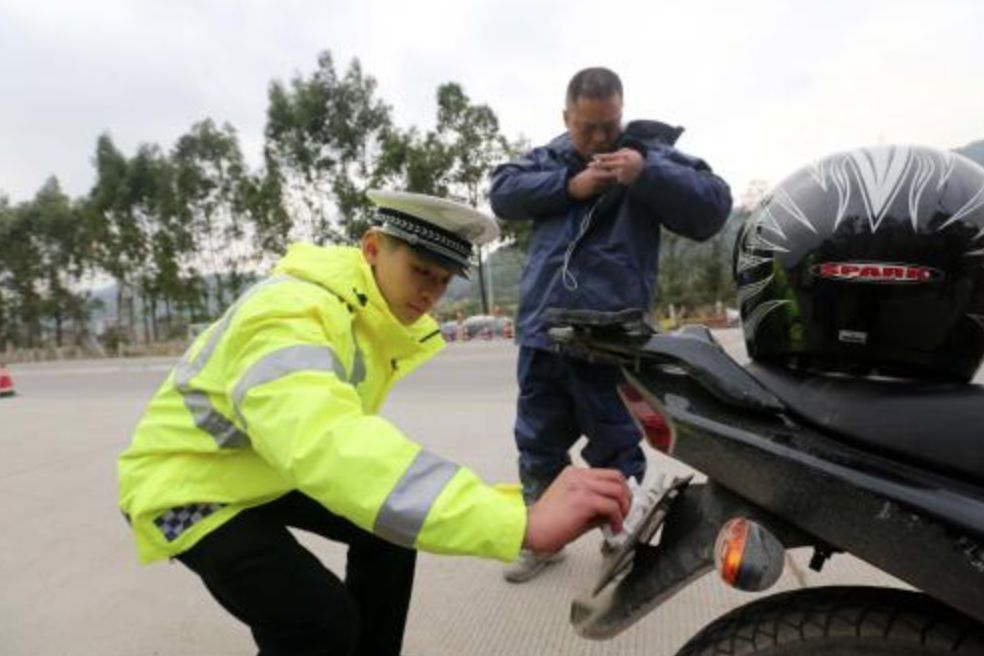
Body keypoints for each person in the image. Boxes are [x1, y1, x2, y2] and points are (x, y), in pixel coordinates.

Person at [117, 190, 631, 656]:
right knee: (318, 624)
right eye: (419, 270)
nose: (430, 292)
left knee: (388, 535)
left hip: (262, 464)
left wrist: (513, 506)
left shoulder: (365, 315)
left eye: (442, 279)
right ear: (371, 248)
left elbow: (339, 447)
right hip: (186, 486)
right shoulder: (289, 311)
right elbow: (327, 441)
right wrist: (516, 522)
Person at [490, 67, 733, 582]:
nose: (600, 138)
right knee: (537, 443)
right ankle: (542, 538)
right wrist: (570, 185)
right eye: (586, 128)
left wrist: (644, 172)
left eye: (609, 125)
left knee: (616, 444)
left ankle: (619, 534)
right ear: (566, 119)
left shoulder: (646, 155)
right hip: (542, 331)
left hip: (609, 338)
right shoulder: (549, 159)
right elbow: (501, 193)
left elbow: (713, 206)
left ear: (621, 112)